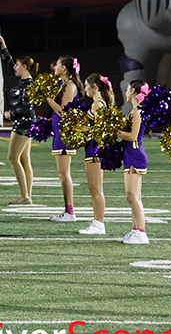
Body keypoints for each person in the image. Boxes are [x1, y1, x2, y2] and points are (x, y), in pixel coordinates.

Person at [0, 38, 37, 204]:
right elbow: (8, 64)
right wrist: (4, 47)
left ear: (24, 67)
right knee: (24, 159)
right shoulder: (21, 81)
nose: (14, 67)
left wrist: (11, 114)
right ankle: (27, 194)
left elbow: (27, 107)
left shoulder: (29, 84)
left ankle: (25, 196)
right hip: (25, 122)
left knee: (13, 157)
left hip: (24, 122)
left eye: (17, 65)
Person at [46, 56, 83, 222]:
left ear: (65, 68)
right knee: (62, 173)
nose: (55, 67)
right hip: (59, 131)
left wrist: (47, 98)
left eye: (58, 65)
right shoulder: (63, 84)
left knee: (64, 173)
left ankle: (70, 212)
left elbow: (63, 111)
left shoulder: (70, 86)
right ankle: (68, 210)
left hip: (64, 133)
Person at [78, 74, 113, 235]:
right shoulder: (98, 103)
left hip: (95, 148)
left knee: (96, 188)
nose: (85, 89)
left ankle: (99, 223)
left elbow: (101, 130)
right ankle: (97, 221)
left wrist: (82, 129)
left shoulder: (98, 104)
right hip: (92, 147)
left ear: (95, 87)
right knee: (94, 188)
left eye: (87, 86)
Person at [118, 81, 150, 245]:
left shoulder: (137, 112)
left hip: (135, 155)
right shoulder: (135, 110)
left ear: (133, 91)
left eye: (127, 89)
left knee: (132, 195)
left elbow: (132, 136)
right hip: (131, 154)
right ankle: (136, 229)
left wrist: (114, 129)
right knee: (133, 196)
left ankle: (142, 232)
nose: (125, 92)